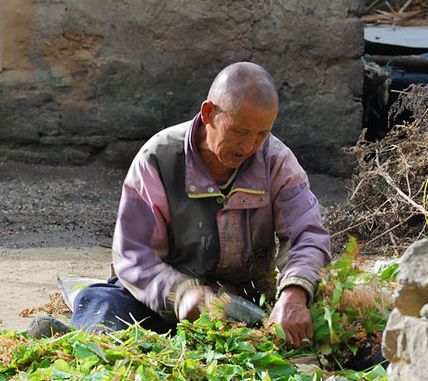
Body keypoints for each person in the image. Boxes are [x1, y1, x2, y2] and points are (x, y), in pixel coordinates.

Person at [30, 62, 331, 347]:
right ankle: (72, 343)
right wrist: (183, 294)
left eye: (261, 134)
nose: (249, 146)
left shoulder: (276, 161)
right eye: (240, 132)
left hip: (246, 307)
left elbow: (307, 234)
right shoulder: (157, 159)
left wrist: (294, 292)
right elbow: (134, 255)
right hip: (164, 306)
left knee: (330, 324)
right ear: (209, 113)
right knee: (103, 301)